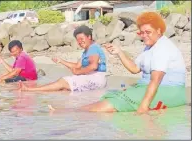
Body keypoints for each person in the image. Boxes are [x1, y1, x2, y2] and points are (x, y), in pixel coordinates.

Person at [49, 12, 187, 114]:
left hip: (169, 91)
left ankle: (71, 112)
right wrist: (119, 52)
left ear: (159, 30)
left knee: (117, 101)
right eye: (141, 33)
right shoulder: (150, 46)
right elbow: (134, 69)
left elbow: (156, 80)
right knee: (115, 94)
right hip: (152, 87)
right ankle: (76, 111)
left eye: (148, 32)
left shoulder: (162, 48)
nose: (144, 35)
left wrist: (143, 107)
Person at [18, 25, 107, 92]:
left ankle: (29, 90)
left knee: (63, 81)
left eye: (81, 38)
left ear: (89, 37)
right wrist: (61, 61)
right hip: (93, 78)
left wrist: (78, 72)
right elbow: (77, 65)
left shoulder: (93, 48)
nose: (79, 42)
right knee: (63, 90)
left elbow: (93, 66)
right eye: (77, 40)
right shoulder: (87, 51)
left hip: (96, 79)